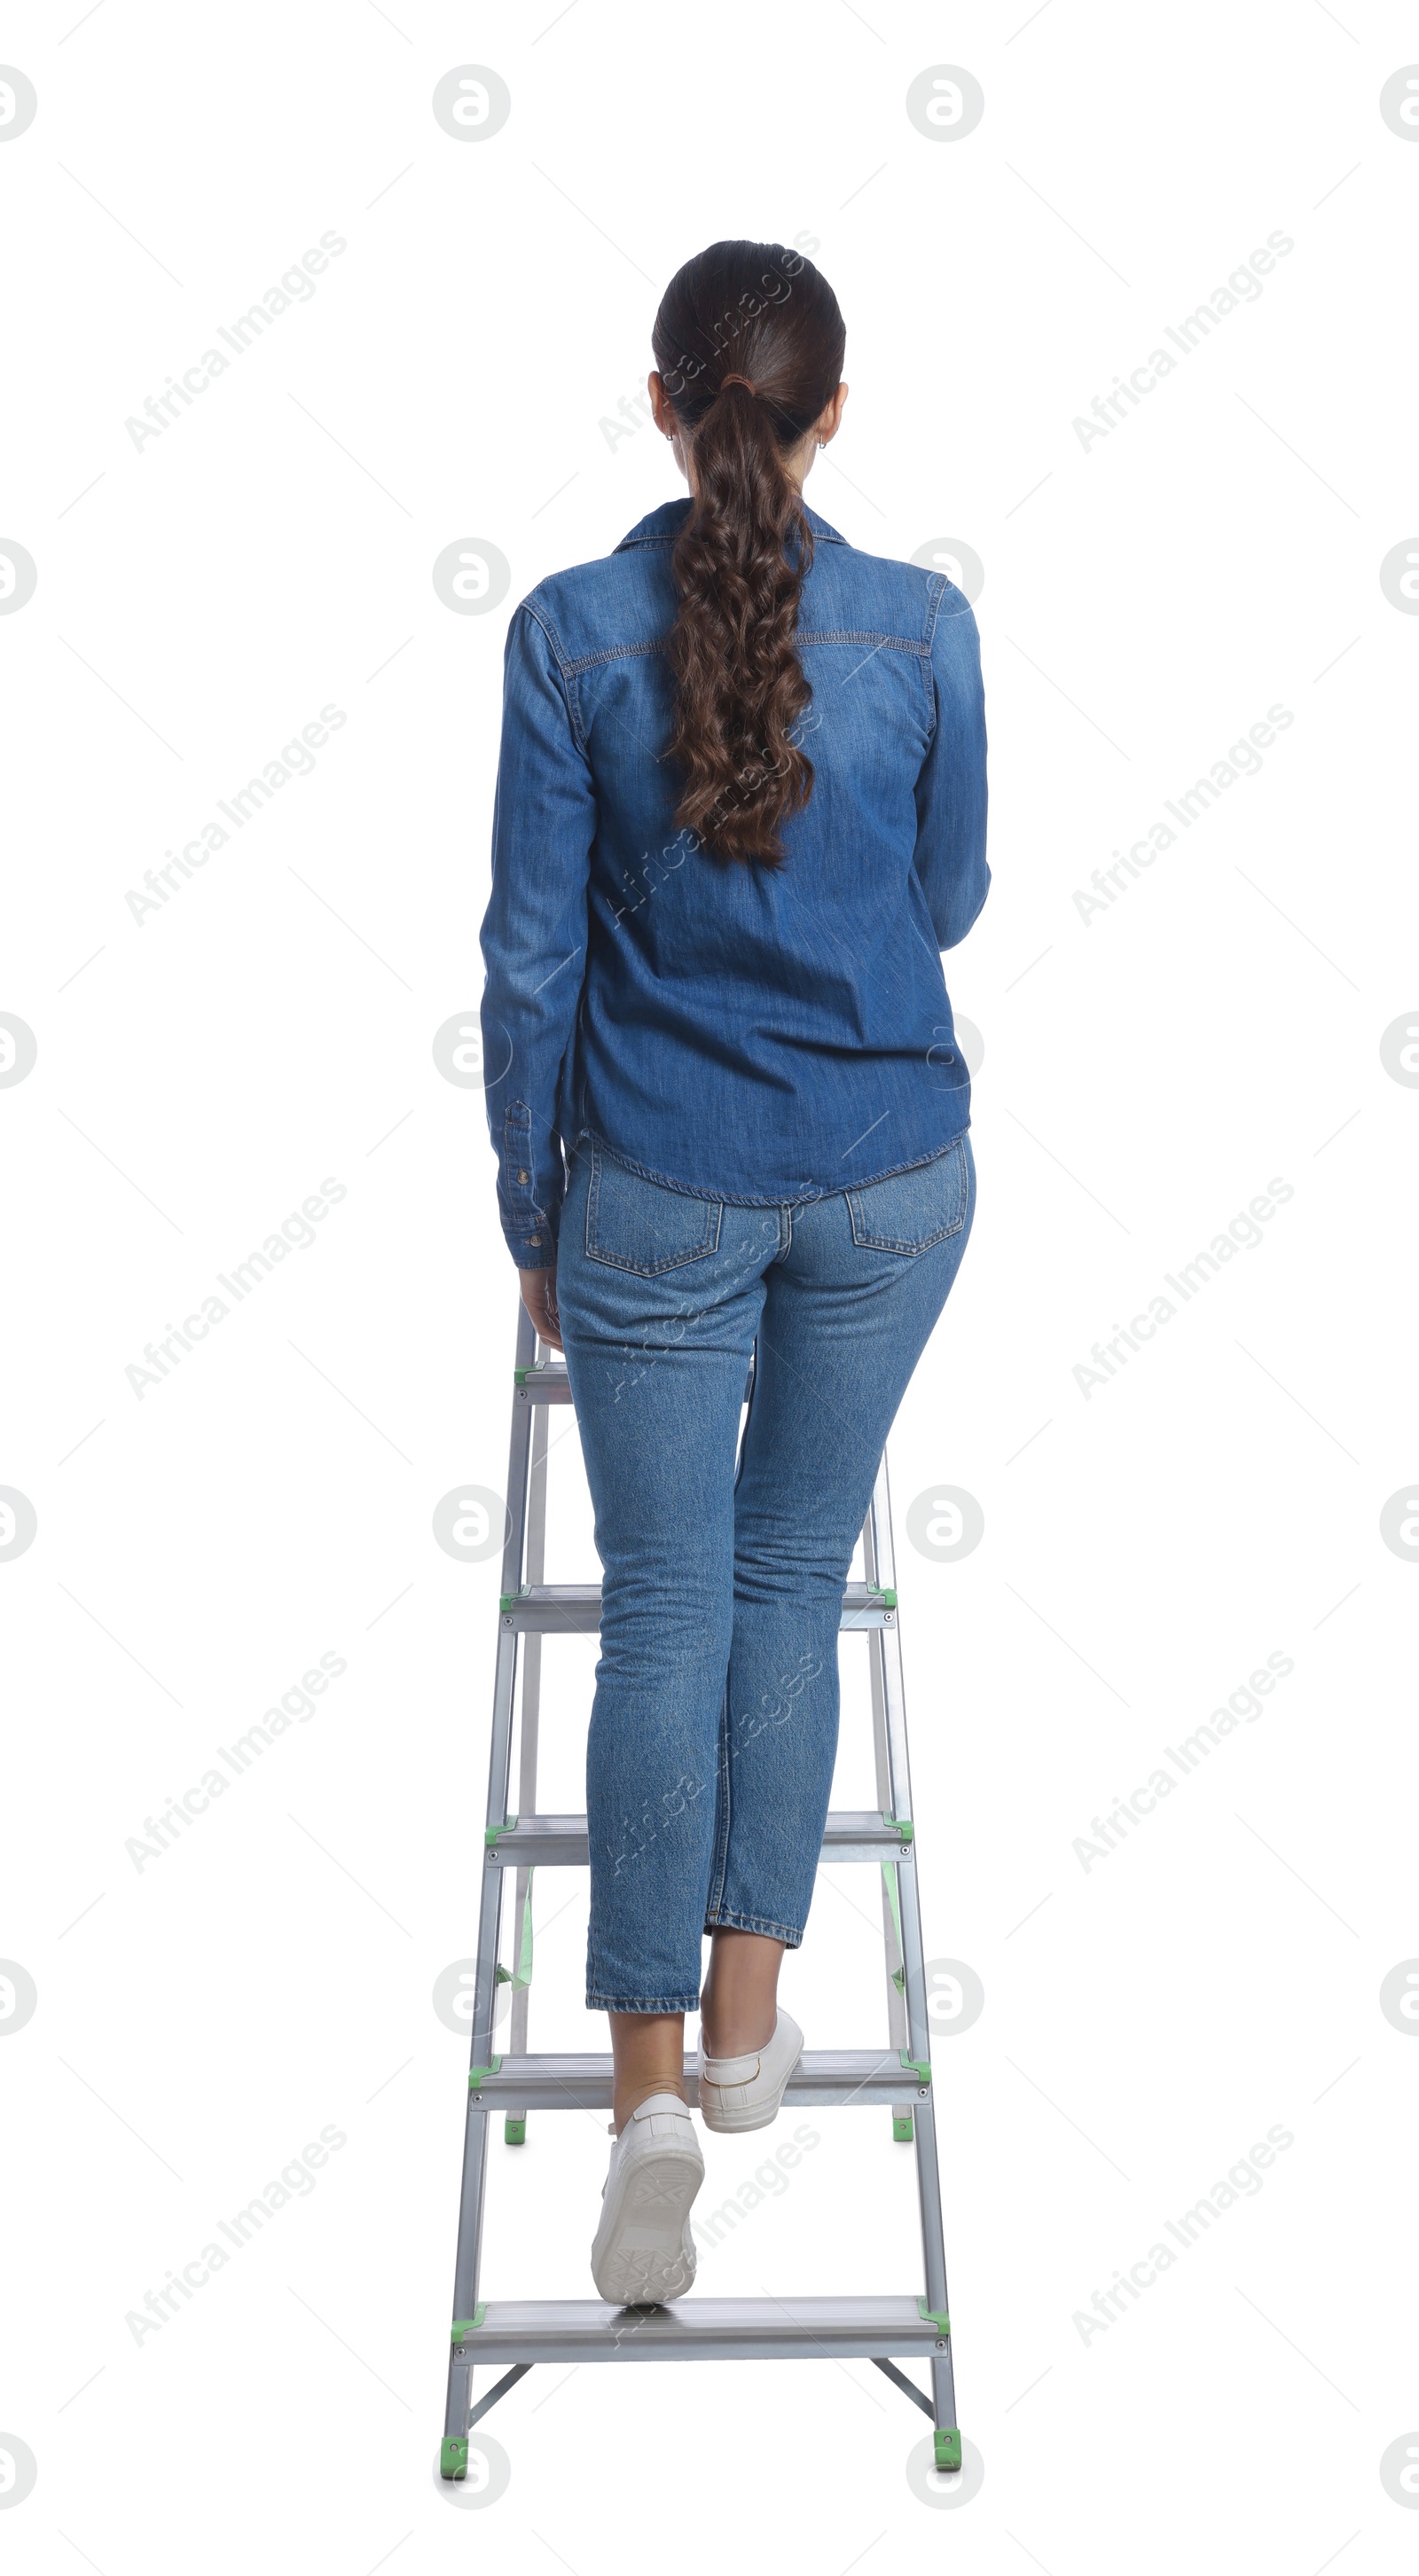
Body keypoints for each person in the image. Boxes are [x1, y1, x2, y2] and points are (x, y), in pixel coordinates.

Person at [479, 238, 988, 2306]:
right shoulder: (922, 624)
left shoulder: (563, 634)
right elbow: (943, 899)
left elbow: (528, 963)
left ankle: (651, 2102)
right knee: (788, 1577)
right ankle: (758, 1999)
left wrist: (536, 1210)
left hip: (659, 1193)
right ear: (833, 414)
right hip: (888, 1184)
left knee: (666, 1609)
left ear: (662, 406)